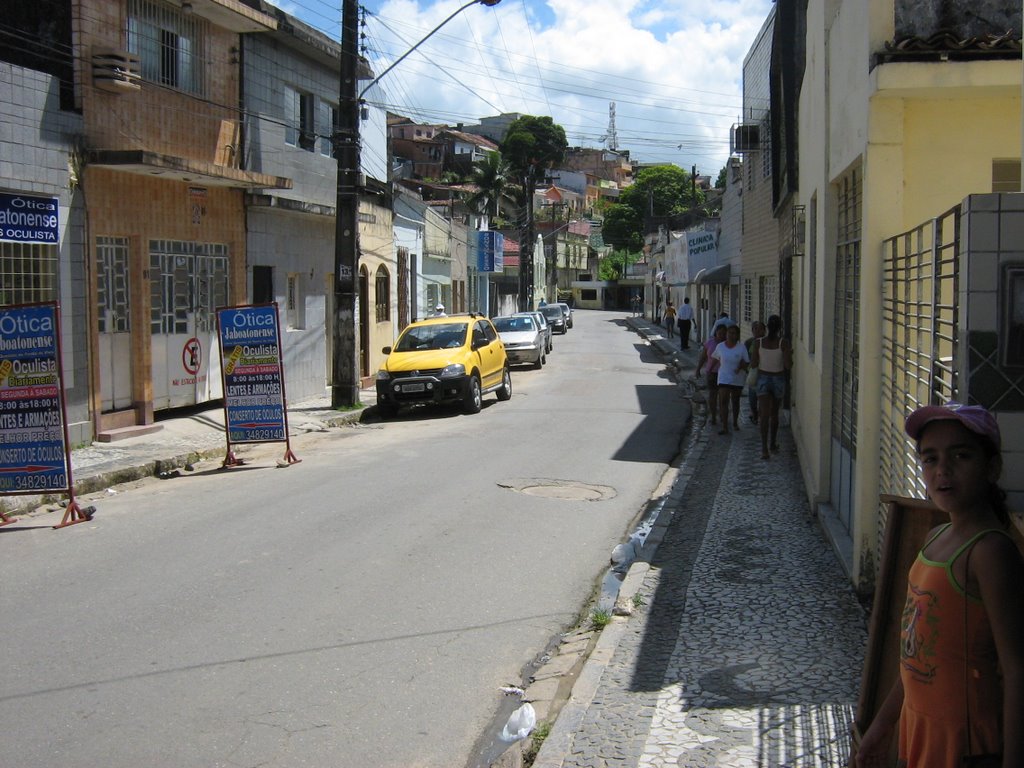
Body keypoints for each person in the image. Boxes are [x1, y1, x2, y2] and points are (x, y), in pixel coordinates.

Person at [855, 403, 1024, 768]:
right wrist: (881, 728)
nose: (942, 470)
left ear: (991, 467)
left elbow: (1016, 669)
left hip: (967, 742)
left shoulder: (989, 551)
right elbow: (914, 658)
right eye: (930, 459)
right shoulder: (935, 538)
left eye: (961, 455)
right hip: (919, 728)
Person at [750, 314, 791, 460]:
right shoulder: (783, 343)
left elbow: (754, 363)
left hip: (763, 379)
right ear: (780, 327)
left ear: (767, 327)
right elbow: (787, 365)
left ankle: (764, 449)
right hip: (778, 378)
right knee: (774, 414)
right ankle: (773, 443)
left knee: (764, 415)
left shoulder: (758, 343)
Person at [711, 324, 749, 435]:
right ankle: (724, 426)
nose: (731, 335)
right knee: (723, 401)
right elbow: (715, 359)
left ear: (737, 335)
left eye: (734, 333)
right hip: (723, 377)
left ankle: (735, 422)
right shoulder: (720, 347)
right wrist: (709, 371)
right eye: (729, 333)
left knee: (735, 401)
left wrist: (740, 367)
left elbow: (746, 362)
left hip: (737, 378)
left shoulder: (741, 347)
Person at [696, 323, 728, 427]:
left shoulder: (728, 344)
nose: (721, 336)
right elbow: (703, 357)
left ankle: (723, 417)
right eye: (720, 334)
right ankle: (713, 416)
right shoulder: (710, 343)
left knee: (723, 398)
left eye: (724, 334)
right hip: (712, 373)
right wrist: (698, 369)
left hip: (725, 374)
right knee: (712, 396)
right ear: (716, 333)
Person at [744, 320, 766, 424]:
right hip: (752, 373)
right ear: (752, 331)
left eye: (760, 329)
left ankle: (761, 416)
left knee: (762, 397)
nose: (758, 331)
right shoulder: (748, 343)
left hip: (765, 373)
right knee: (752, 398)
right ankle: (755, 413)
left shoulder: (767, 342)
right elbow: (745, 358)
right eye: (755, 329)